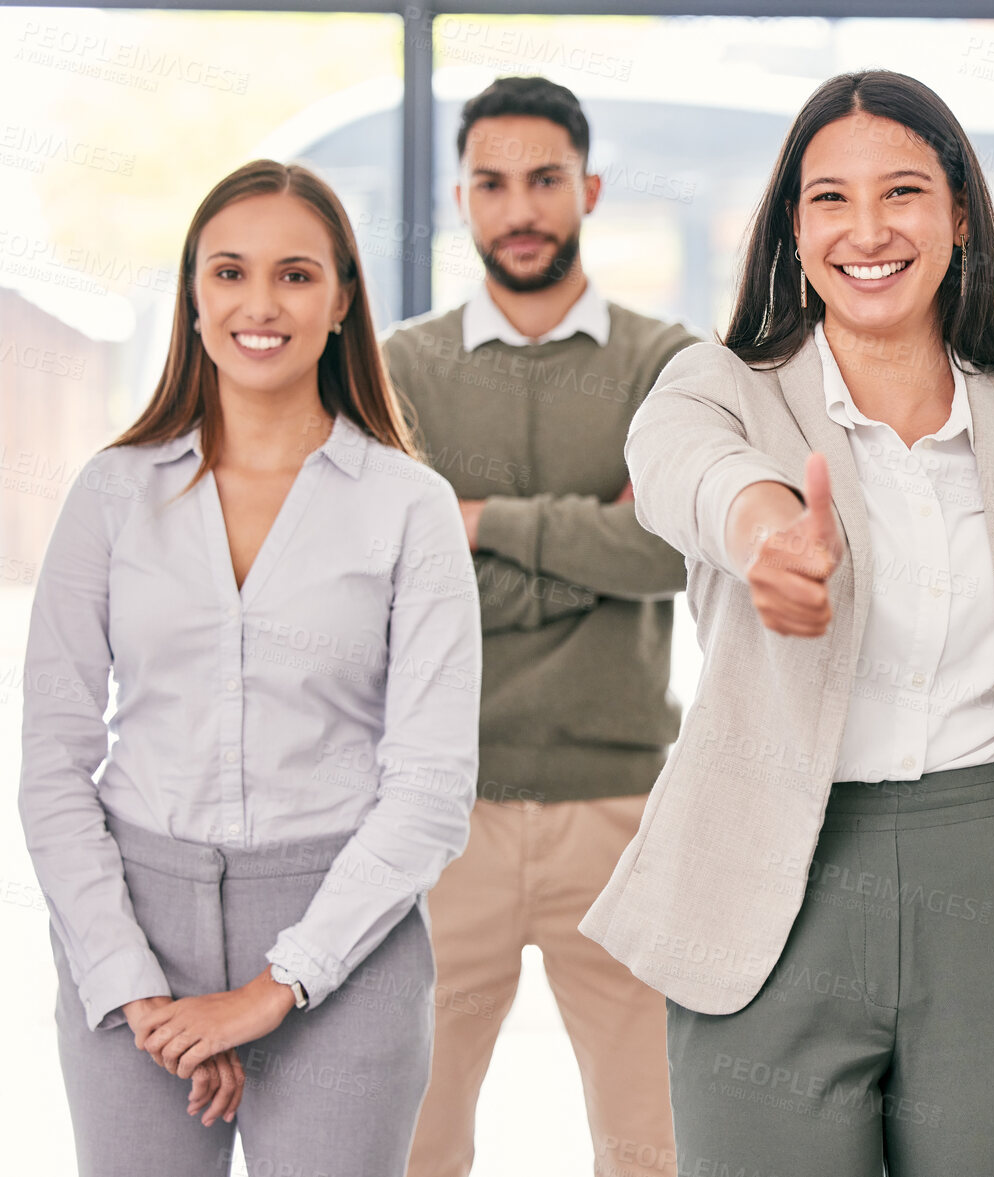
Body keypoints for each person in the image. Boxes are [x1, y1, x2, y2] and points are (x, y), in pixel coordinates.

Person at [580, 70, 994, 1177]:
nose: (868, 229)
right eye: (829, 199)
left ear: (958, 219)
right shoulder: (718, 386)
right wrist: (766, 535)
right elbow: (683, 472)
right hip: (768, 903)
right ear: (792, 230)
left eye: (903, 193)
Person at [19, 159, 480, 1177]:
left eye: (296, 274)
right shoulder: (110, 494)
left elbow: (433, 790)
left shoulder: (408, 508)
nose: (259, 304)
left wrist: (273, 989)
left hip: (344, 941)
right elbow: (52, 766)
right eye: (229, 272)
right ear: (192, 295)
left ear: (343, 297)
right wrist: (138, 990)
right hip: (131, 925)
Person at [381, 76, 694, 1177]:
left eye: (545, 181)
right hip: (440, 808)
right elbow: (396, 585)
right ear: (460, 200)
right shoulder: (397, 368)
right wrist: (583, 548)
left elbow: (668, 551)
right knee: (413, 1145)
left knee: (650, 1148)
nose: (520, 208)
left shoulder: (665, 362)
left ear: (589, 189)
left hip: (621, 811)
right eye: (492, 184)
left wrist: (479, 524)